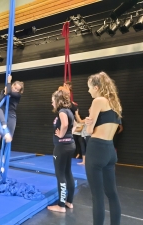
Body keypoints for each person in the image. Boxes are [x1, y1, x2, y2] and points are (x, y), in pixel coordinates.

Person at [85, 71, 122, 225]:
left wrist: (88, 123)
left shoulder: (98, 101)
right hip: (110, 150)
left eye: (89, 88)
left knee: (97, 196)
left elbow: (89, 131)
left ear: (97, 87)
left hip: (96, 150)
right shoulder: (116, 104)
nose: (88, 91)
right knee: (112, 193)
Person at [47, 90, 76, 213]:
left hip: (62, 147)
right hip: (70, 145)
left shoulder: (62, 111)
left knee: (60, 175)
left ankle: (61, 205)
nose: (51, 102)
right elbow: (74, 125)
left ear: (58, 100)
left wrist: (61, 135)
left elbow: (65, 124)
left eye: (53, 100)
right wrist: (68, 135)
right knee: (67, 172)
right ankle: (69, 201)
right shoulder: (69, 111)